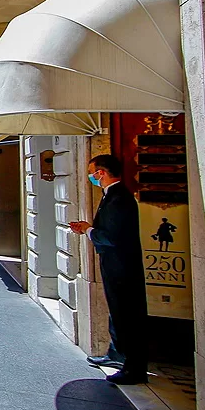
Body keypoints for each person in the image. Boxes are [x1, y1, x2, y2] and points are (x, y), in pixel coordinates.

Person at [69, 155, 148, 384]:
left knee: (127, 315)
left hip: (122, 266)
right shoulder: (112, 196)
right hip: (116, 265)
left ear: (101, 172)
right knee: (117, 311)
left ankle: (134, 369)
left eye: (92, 172)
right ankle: (117, 354)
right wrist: (88, 229)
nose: (91, 177)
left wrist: (88, 231)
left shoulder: (119, 198)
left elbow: (111, 237)